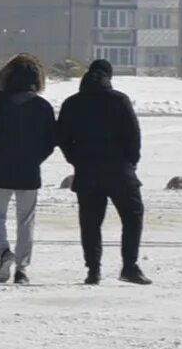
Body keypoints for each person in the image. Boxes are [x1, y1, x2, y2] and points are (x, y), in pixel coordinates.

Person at [54, 57, 149, 285]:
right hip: (119, 170)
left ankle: (93, 270)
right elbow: (133, 134)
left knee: (90, 222)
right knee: (132, 215)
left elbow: (62, 138)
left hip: (87, 171)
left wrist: (75, 160)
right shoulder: (119, 100)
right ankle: (129, 266)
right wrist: (131, 161)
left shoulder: (72, 103)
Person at [0, 52, 56, 287]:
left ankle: (3, 251)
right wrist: (36, 159)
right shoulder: (42, 106)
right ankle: (22, 269)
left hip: (1, 168)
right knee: (26, 220)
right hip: (29, 171)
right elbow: (50, 140)